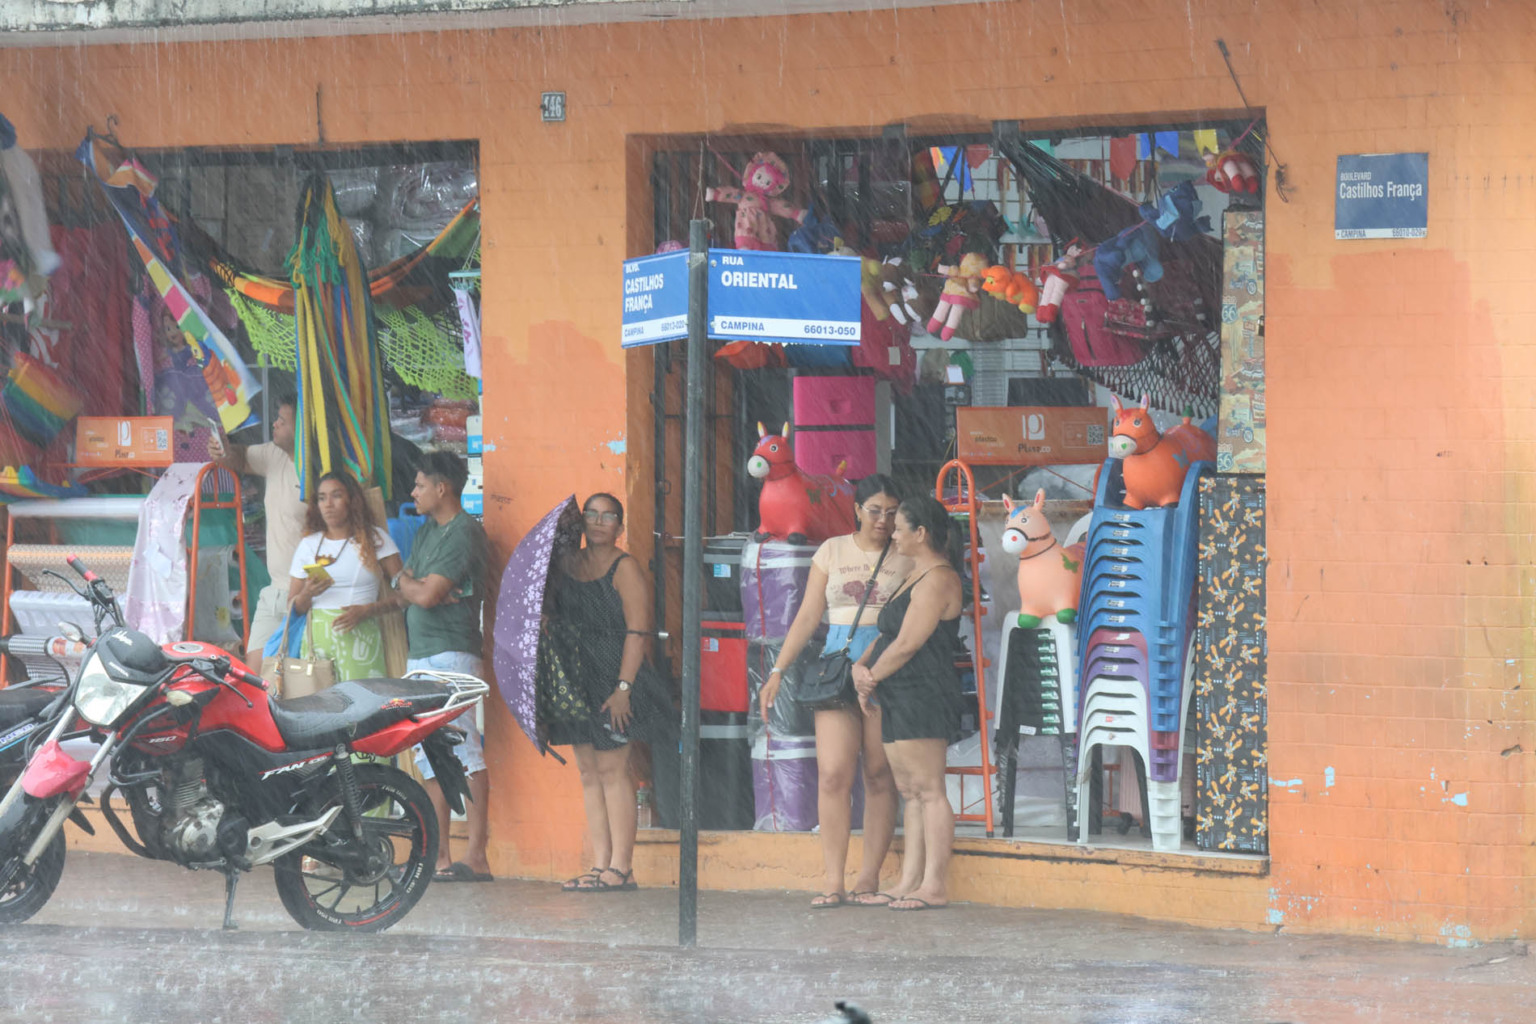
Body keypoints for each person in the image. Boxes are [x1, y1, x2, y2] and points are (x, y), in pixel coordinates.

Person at [761, 475, 913, 909]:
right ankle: (833, 880)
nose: (882, 520)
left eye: (890, 512)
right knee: (832, 775)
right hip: (837, 667)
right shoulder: (831, 550)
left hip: (885, 668)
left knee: (880, 775)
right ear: (856, 510)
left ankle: (867, 878)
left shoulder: (905, 553)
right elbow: (808, 616)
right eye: (874, 510)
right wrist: (778, 671)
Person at [852, 496, 965, 912]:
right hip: (897, 691)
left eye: (900, 528)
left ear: (921, 533)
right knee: (909, 790)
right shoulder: (914, 575)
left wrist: (870, 679)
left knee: (930, 790)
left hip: (925, 691)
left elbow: (908, 642)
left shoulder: (939, 578)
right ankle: (909, 880)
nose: (892, 534)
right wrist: (861, 668)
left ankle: (934, 883)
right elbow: (887, 634)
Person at [394, 452, 493, 883]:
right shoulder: (425, 532)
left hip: (453, 652)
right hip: (420, 654)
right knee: (430, 755)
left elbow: (427, 594)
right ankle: (438, 856)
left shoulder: (464, 532)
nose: (413, 493)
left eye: (419, 485)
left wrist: (415, 586)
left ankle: (476, 856)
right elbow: (406, 587)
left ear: (442, 488)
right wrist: (413, 585)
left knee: (463, 748)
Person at [547, 493, 652, 894]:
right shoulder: (566, 565)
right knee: (589, 773)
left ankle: (622, 867)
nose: (598, 521)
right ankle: (599, 864)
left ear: (620, 528)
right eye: (591, 514)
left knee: (613, 772)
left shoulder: (625, 568)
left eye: (608, 516)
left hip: (615, 677)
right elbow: (557, 615)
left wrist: (624, 688)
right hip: (576, 677)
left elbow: (638, 631)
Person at [210, 393, 307, 667]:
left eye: (282, 421)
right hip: (274, 590)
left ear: (301, 429)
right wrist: (222, 451)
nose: (274, 425)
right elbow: (239, 458)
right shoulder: (274, 454)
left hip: (306, 592)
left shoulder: (316, 470)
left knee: (300, 675)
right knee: (255, 673)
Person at [286, 470, 403, 682]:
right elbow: (292, 607)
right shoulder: (308, 544)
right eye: (322, 498)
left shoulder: (376, 539)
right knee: (320, 710)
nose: (328, 504)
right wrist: (307, 594)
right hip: (317, 644)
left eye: (336, 495)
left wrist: (369, 610)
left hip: (361, 639)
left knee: (363, 708)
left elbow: (405, 595)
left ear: (352, 500)